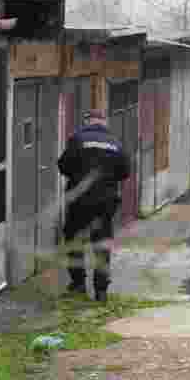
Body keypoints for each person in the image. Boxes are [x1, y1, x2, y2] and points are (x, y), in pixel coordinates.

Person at [57, 108, 132, 302]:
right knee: (102, 244)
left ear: (87, 121)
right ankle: (101, 291)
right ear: (104, 122)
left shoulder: (77, 139)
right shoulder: (115, 143)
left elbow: (63, 165)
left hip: (80, 201)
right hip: (105, 202)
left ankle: (78, 284)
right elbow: (125, 172)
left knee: (74, 240)